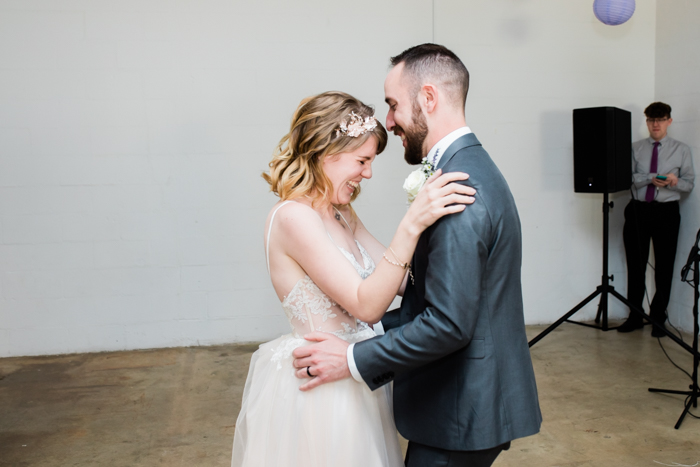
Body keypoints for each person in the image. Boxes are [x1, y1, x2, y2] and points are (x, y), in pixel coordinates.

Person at [292, 44, 542, 467]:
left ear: (428, 98)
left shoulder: (459, 189)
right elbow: (432, 295)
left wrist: (351, 358)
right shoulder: (466, 170)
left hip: (460, 410)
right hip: (470, 399)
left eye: (393, 104)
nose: (388, 120)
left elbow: (447, 323)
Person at [230, 91, 476, 467]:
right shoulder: (293, 218)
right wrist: (412, 223)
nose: (368, 173)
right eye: (362, 160)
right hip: (322, 394)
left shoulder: (342, 213)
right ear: (326, 151)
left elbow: (397, 280)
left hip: (357, 376)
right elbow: (367, 304)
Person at [618, 102, 695, 336]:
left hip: (666, 212)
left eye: (660, 120)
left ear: (669, 121)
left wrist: (673, 181)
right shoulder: (635, 148)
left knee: (664, 266)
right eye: (651, 120)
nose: (655, 124)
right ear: (647, 122)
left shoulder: (681, 150)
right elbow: (627, 179)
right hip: (638, 210)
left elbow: (689, 183)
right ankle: (635, 316)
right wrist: (652, 178)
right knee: (636, 265)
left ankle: (658, 318)